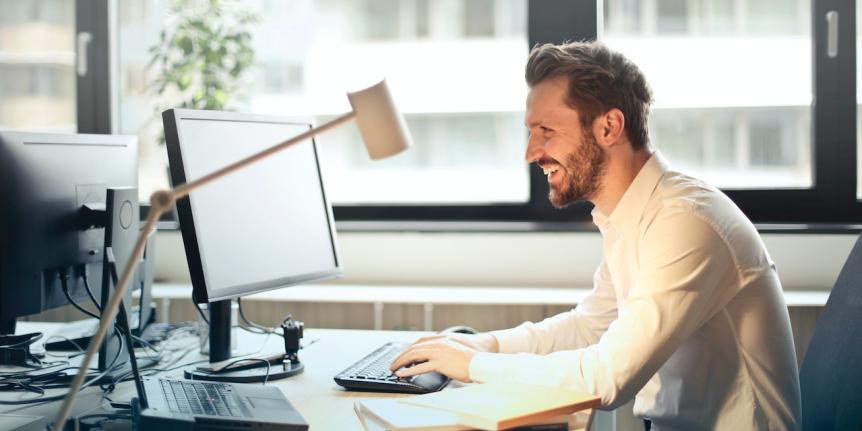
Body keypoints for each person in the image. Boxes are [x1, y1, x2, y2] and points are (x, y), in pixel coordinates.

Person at [390, 41, 801, 431]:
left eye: (546, 130)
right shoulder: (632, 215)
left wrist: (472, 367)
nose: (531, 153)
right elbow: (591, 327)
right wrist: (483, 346)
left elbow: (608, 378)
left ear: (609, 127)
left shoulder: (686, 222)